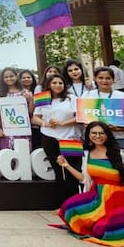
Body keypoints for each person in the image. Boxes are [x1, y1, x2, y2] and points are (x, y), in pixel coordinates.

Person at [54, 122, 124, 247]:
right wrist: (66, 166)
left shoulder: (122, 154)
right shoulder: (87, 154)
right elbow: (85, 179)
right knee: (69, 207)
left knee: (109, 233)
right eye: (94, 133)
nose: (98, 136)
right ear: (88, 135)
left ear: (107, 135)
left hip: (119, 200)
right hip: (97, 197)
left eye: (101, 133)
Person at [32, 74, 79, 205]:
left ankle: (74, 204)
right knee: (58, 171)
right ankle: (61, 204)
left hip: (70, 137)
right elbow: (35, 117)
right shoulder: (43, 98)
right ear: (49, 84)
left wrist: (63, 123)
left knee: (72, 171)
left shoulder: (71, 98)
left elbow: (79, 117)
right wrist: (45, 123)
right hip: (49, 137)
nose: (57, 85)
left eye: (60, 83)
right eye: (54, 83)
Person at [83, 67, 124, 152]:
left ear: (113, 80)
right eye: (100, 78)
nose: (104, 81)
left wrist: (118, 128)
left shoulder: (123, 96)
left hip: (119, 138)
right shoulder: (88, 95)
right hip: (96, 140)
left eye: (108, 78)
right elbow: (84, 120)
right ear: (95, 79)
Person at [0, 67, 33, 151]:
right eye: (6, 77)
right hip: (4, 131)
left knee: (23, 155)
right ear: (2, 79)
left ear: (16, 76)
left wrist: (31, 100)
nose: (9, 78)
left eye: (11, 76)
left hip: (22, 131)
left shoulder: (24, 92)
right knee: (6, 156)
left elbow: (30, 112)